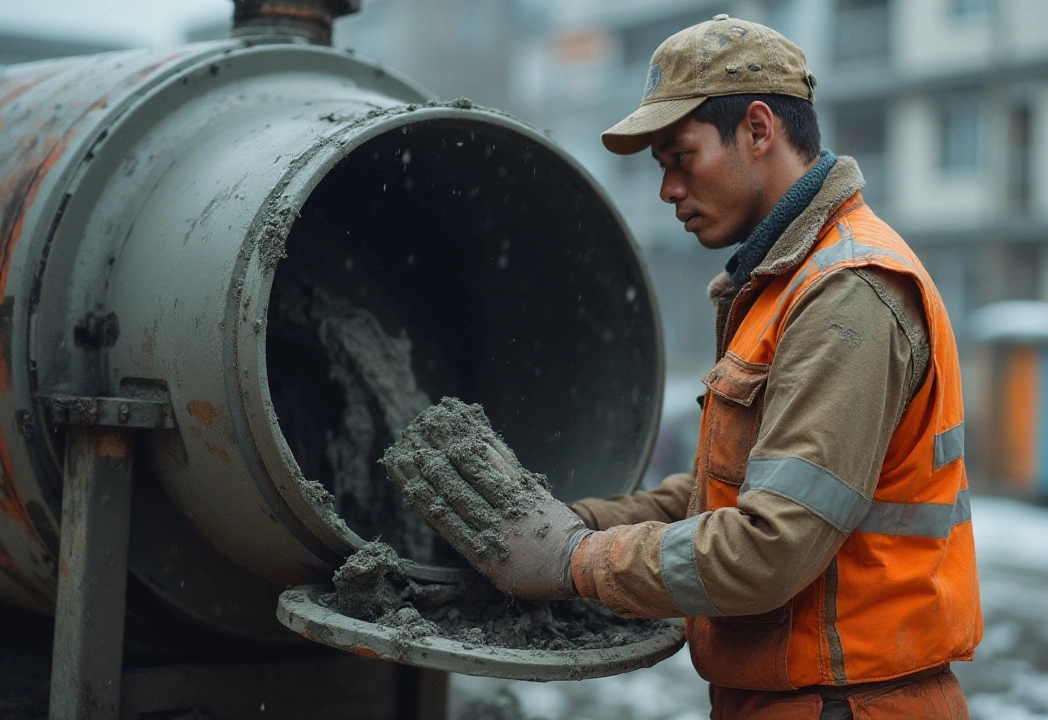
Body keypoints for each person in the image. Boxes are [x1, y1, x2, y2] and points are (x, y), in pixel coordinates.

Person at [387, 14, 981, 720]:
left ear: (759, 130)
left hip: (847, 704)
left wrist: (574, 560)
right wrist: (550, 525)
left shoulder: (846, 295)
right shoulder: (783, 285)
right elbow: (714, 498)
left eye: (680, 156)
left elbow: (768, 548)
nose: (669, 189)